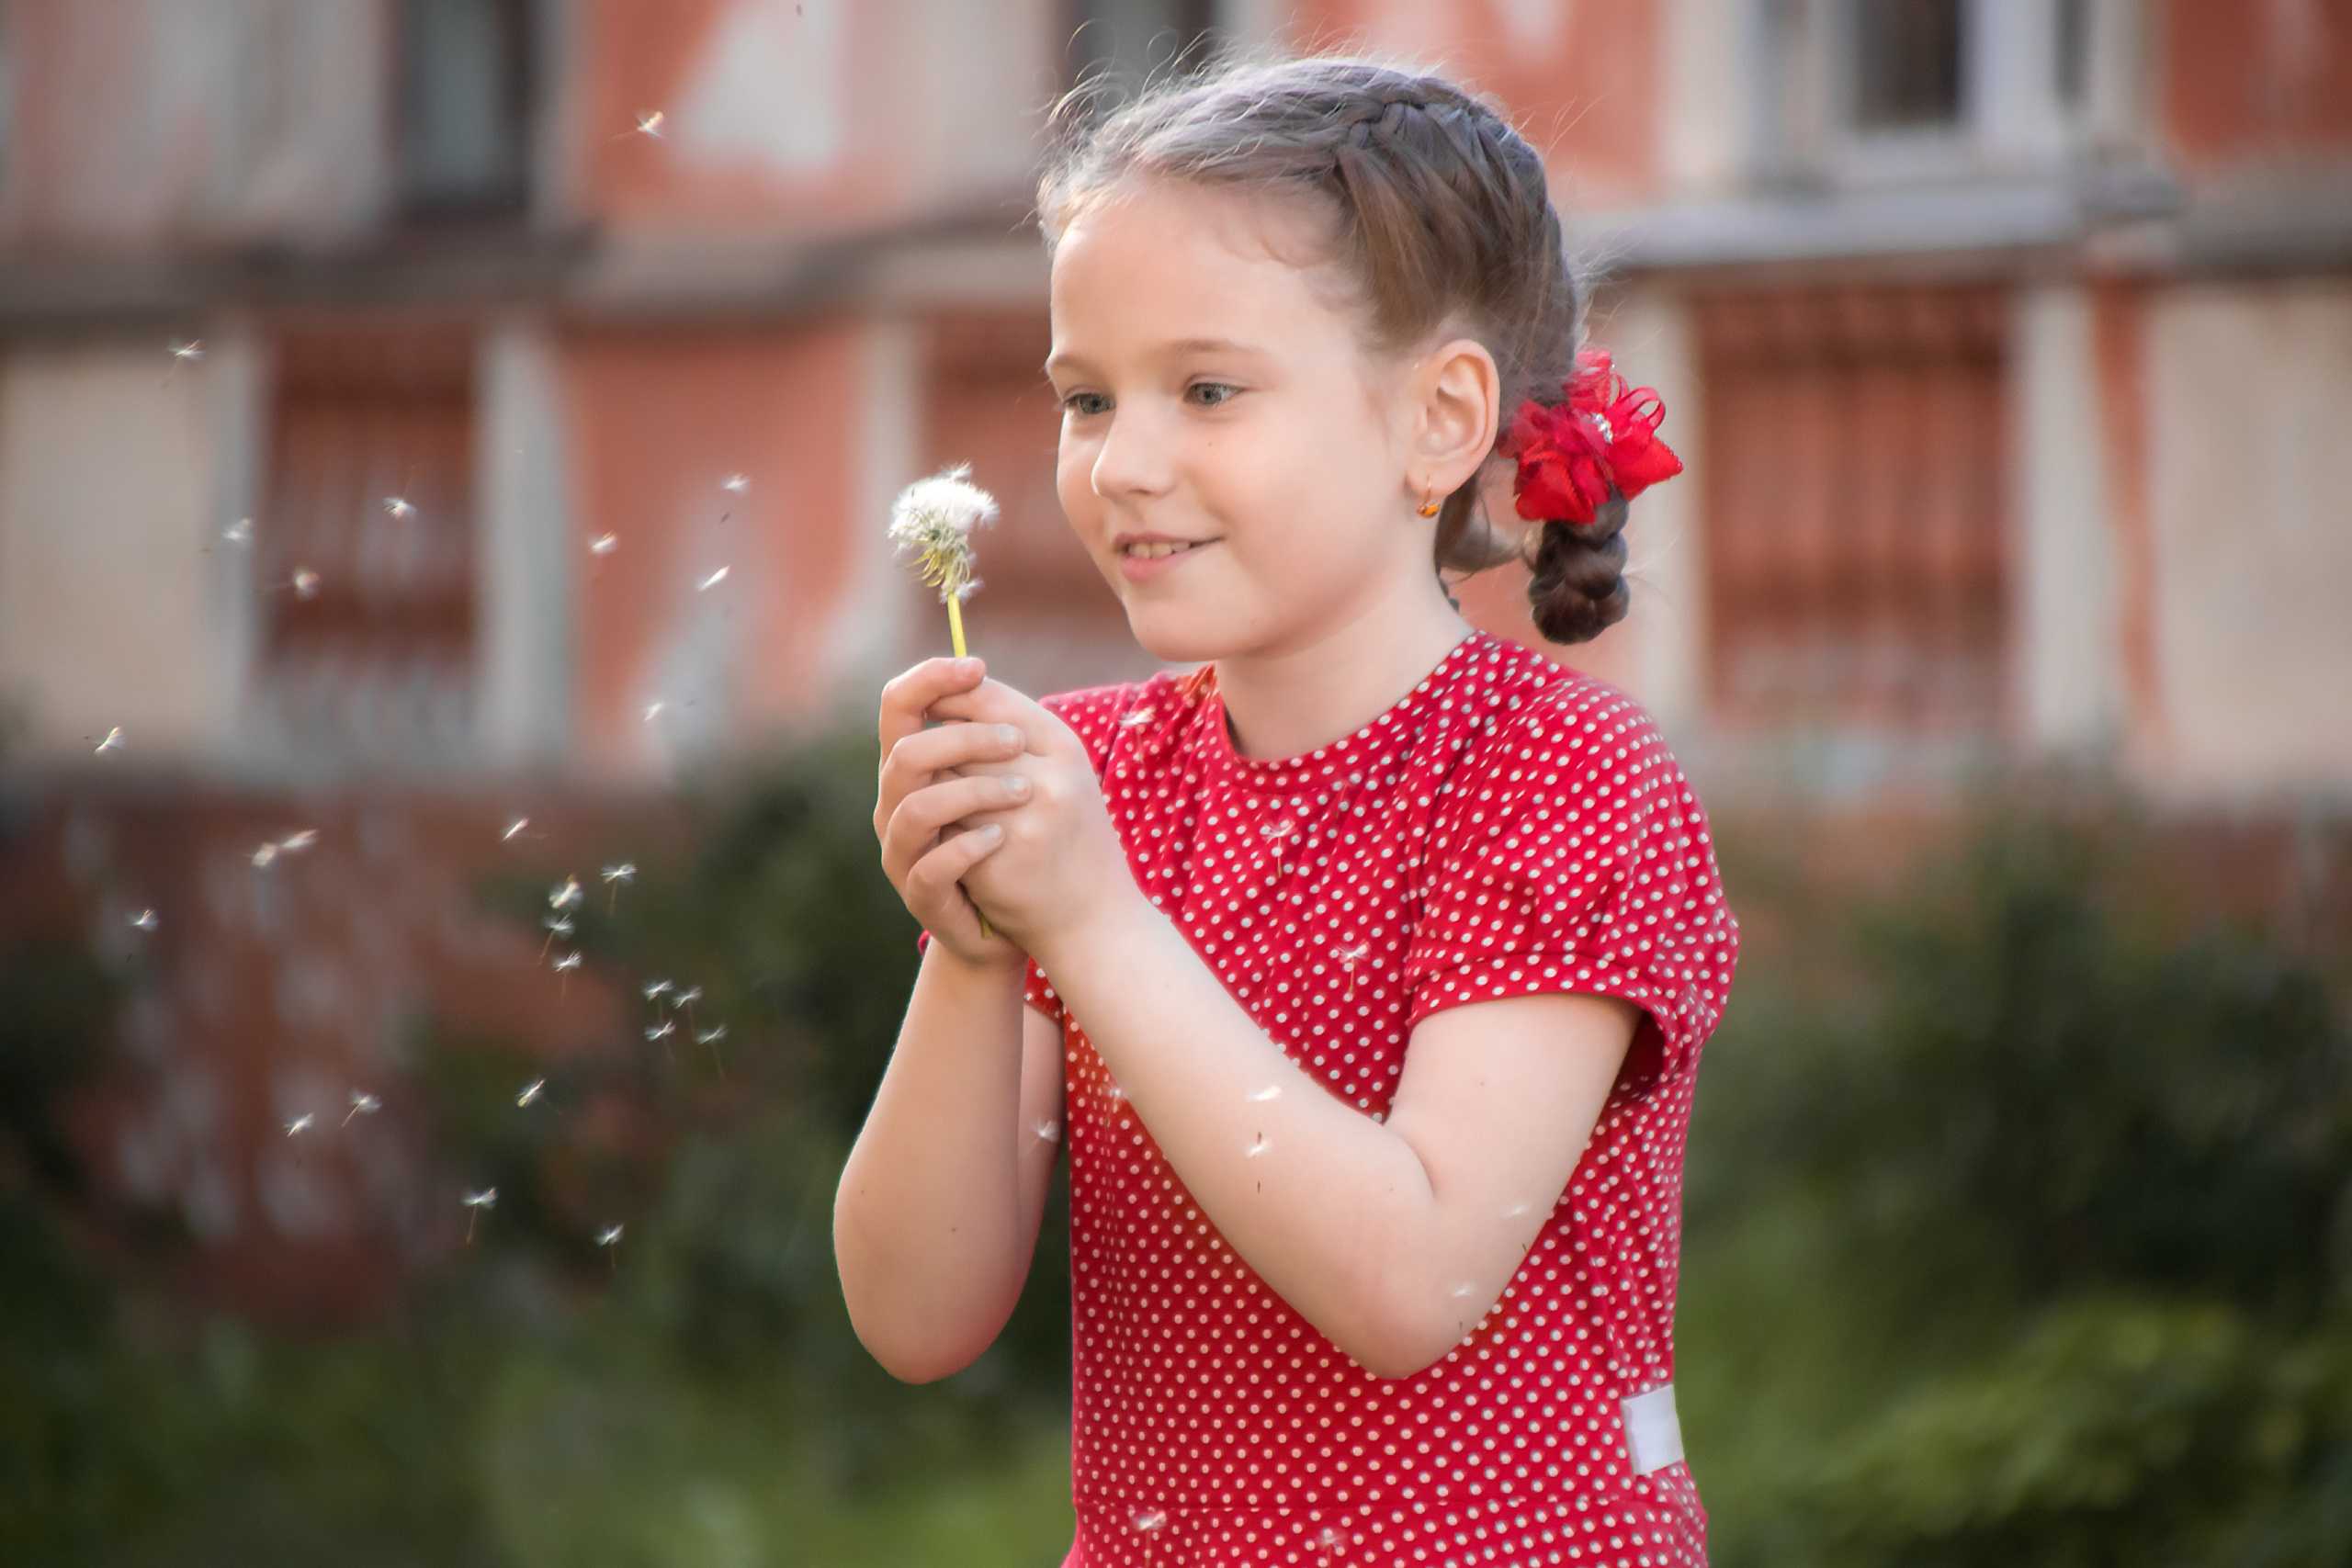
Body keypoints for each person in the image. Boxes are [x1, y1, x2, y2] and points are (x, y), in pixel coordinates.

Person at [835, 55, 1738, 1568]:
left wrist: (1090, 915)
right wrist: (982, 941)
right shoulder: (1094, 782)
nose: (1124, 463)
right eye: (1085, 397)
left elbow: (1410, 1280)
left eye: (1207, 390)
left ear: (1440, 420)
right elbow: (916, 1317)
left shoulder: (1563, 781)